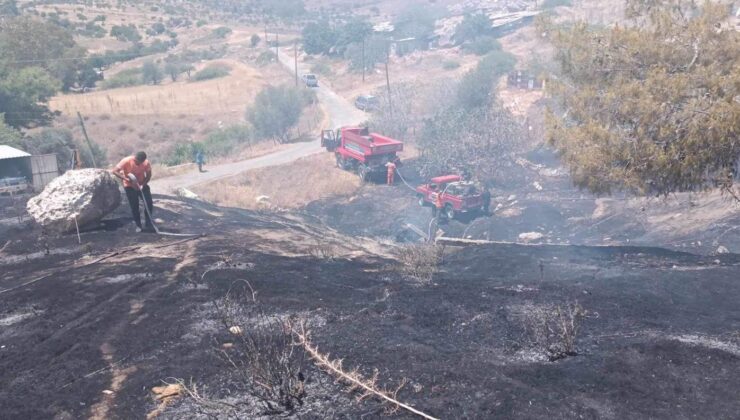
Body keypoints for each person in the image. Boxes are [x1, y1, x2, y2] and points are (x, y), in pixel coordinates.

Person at [112, 151, 154, 232]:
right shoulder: (126, 161)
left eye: (139, 162)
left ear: (142, 161)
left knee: (149, 203)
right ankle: (138, 225)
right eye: (136, 161)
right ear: (134, 158)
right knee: (135, 206)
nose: (136, 163)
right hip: (130, 186)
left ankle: (148, 223)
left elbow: (149, 174)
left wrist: (143, 184)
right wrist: (125, 179)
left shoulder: (146, 163)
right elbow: (114, 171)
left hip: (142, 184)